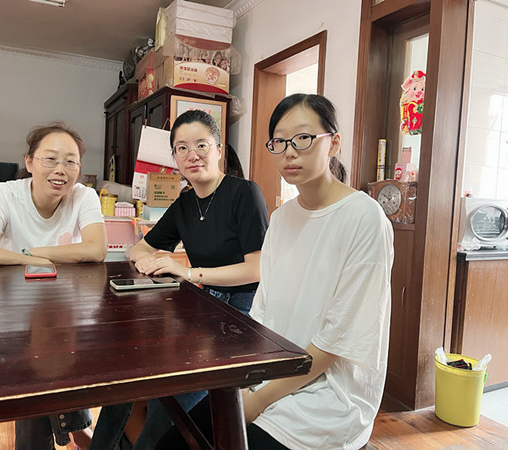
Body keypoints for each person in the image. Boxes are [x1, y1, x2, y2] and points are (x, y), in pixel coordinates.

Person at [155, 93, 394, 449]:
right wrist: (246, 383)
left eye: (303, 138)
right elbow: (263, 312)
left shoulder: (364, 217)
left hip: (327, 397)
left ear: (334, 143)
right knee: (171, 443)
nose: (289, 151)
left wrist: (256, 402)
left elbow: (336, 340)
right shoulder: (281, 218)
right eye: (279, 142)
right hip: (269, 373)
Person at [90, 109, 269, 450]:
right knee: (126, 381)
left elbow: (256, 269)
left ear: (219, 149)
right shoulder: (185, 203)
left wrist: (187, 272)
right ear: (174, 157)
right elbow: (137, 248)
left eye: (201, 145)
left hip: (243, 316)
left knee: (166, 407)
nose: (192, 155)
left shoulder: (245, 193)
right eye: (182, 148)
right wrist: (148, 259)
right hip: (202, 309)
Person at [0, 121, 107, 450]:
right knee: (39, 366)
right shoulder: (3, 194)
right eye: (50, 159)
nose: (61, 170)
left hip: (61, 305)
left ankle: (69, 434)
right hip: (11, 310)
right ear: (29, 162)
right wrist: (45, 259)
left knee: (59, 359)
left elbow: (96, 249)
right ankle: (76, 432)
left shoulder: (83, 196)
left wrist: (32, 254)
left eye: (70, 161)